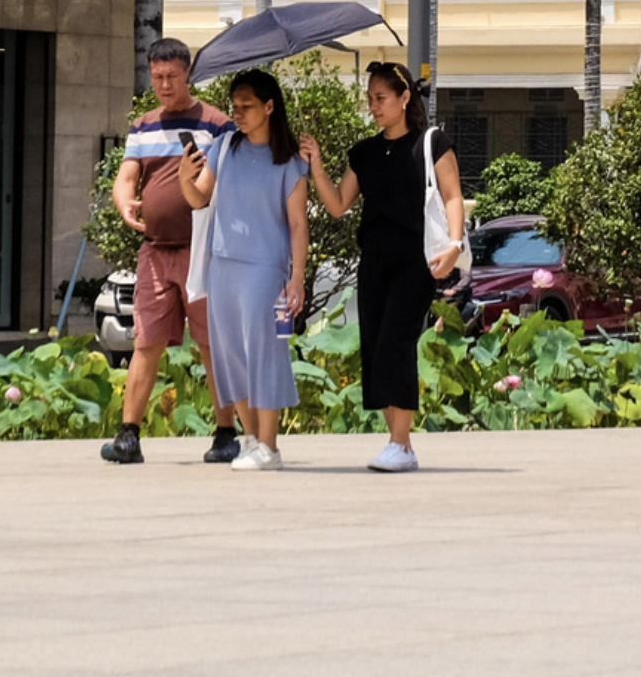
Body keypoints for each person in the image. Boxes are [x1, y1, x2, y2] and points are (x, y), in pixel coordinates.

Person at [305, 62, 466, 475]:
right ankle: (401, 446)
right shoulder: (365, 153)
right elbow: (339, 204)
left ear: (404, 97)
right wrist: (317, 165)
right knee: (378, 349)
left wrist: (454, 244)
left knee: (397, 342)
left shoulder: (431, 143)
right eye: (370, 99)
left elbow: (452, 197)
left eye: (381, 98)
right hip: (373, 262)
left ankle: (399, 443)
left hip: (416, 262)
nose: (374, 106)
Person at [100, 38, 239, 466]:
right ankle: (128, 436)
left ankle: (225, 433)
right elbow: (127, 175)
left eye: (172, 77)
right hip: (155, 252)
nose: (163, 84)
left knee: (212, 344)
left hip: (205, 252)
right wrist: (123, 201)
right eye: (157, 77)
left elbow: (227, 182)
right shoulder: (143, 126)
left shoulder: (217, 124)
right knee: (146, 343)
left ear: (187, 75)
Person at [181, 67, 311, 471]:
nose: (237, 112)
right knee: (229, 357)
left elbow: (297, 224)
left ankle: (269, 446)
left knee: (265, 354)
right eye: (235, 105)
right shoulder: (224, 146)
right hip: (223, 264)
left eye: (247, 106)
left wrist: (296, 279)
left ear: (270, 107)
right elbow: (199, 198)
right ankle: (252, 439)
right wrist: (186, 178)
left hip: (264, 268)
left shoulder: (289, 161)